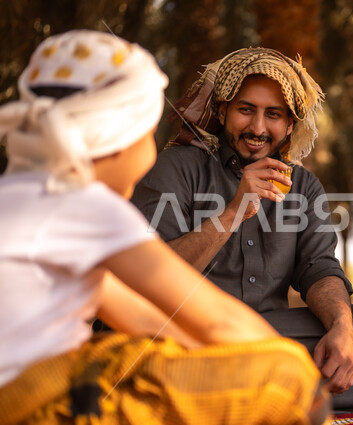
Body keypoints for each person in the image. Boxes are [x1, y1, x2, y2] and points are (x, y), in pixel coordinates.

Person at [0, 30, 330, 425]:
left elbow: (140, 316)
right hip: (35, 403)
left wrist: (213, 365)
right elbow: (218, 322)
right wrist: (283, 369)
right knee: (287, 375)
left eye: (274, 114)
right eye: (149, 133)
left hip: (43, 384)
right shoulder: (89, 207)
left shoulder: (20, 194)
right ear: (120, 141)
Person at [131, 47, 353, 412]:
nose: (258, 128)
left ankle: (261, 390)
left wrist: (342, 327)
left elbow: (319, 268)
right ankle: (302, 393)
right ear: (223, 110)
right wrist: (234, 210)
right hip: (188, 333)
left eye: (273, 114)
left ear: (290, 124)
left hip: (267, 334)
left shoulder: (302, 185)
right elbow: (149, 276)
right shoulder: (177, 167)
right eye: (246, 110)